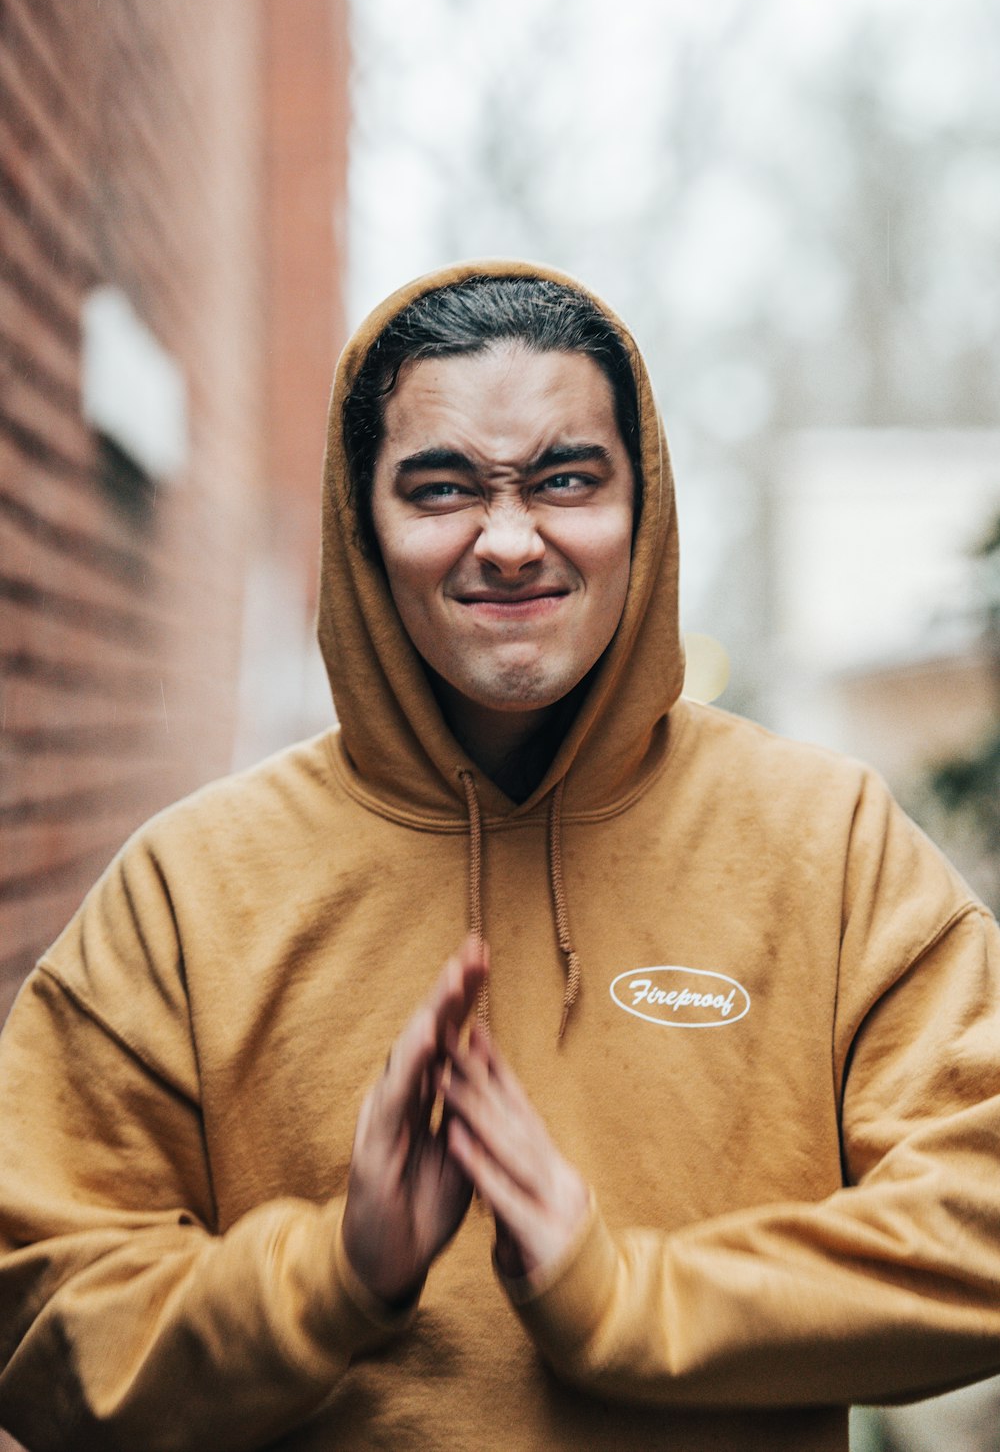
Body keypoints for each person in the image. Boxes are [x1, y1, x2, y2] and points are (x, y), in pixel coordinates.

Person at [0, 260, 999, 1452]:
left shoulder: (822, 841)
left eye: (566, 479)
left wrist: (627, 1295)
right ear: (362, 526)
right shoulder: (189, 889)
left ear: (646, 505)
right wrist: (337, 1272)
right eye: (441, 488)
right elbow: (37, 1313)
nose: (512, 539)